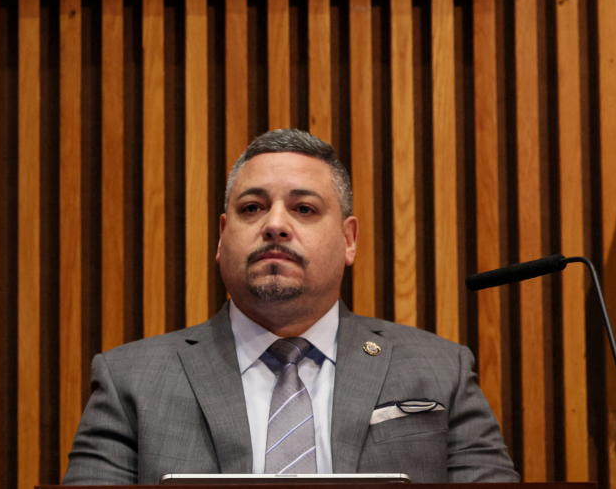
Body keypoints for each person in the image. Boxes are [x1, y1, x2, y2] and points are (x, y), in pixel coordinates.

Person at [63, 128, 518, 484]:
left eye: (303, 209)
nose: (275, 225)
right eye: (252, 208)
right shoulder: (130, 382)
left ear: (348, 239)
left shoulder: (441, 370)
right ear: (222, 238)